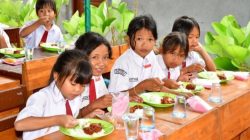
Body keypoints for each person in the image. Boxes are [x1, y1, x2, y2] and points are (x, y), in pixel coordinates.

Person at [14, 50, 92, 140]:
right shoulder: (42, 97)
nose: (78, 90)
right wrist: (57, 120)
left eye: (83, 85)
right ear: (57, 76)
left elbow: (69, 121)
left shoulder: (75, 98)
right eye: (73, 84)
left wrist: (86, 119)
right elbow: (19, 124)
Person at [108, 15, 173, 102]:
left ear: (155, 40)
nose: (145, 44)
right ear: (129, 39)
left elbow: (159, 84)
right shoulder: (122, 63)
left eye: (150, 39)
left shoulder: (151, 55)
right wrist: (142, 86)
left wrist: (180, 94)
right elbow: (115, 97)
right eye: (139, 39)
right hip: (126, 109)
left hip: (146, 106)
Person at [74, 32, 113, 118]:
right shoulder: (73, 81)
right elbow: (71, 118)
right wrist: (94, 105)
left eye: (105, 57)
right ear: (81, 57)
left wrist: (123, 100)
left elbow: (105, 102)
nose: (102, 63)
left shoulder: (97, 76)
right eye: (95, 57)